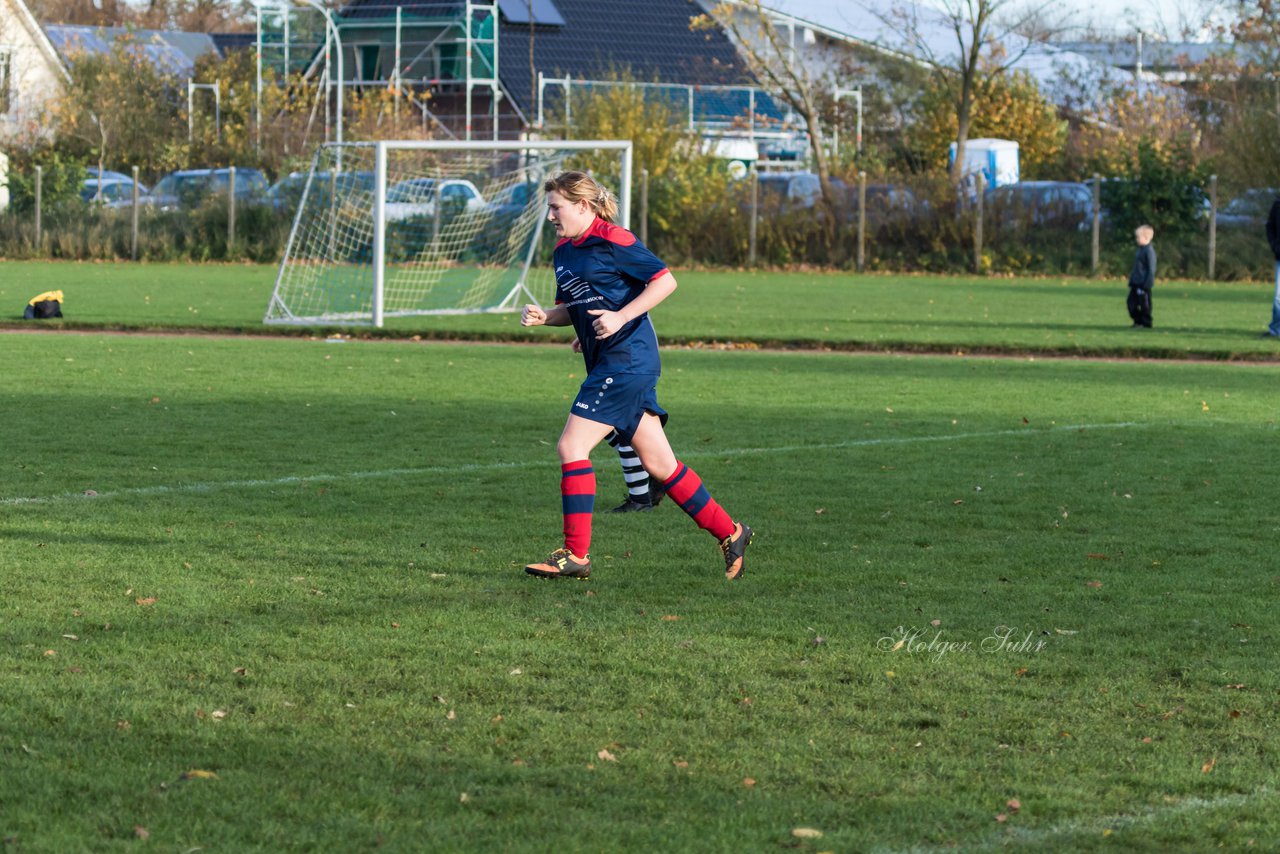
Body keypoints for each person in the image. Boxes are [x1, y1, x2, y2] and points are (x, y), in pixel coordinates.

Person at [520, 170, 753, 580]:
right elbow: (574, 309)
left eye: (556, 207)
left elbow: (665, 281)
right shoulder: (563, 253)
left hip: (627, 360)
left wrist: (621, 316)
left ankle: (575, 555)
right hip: (611, 360)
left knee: (571, 446)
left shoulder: (614, 238)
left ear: (582, 205)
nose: (551, 216)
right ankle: (731, 533)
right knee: (661, 464)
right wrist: (547, 318)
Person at [1126, 224, 1156, 329]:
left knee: (1145, 305)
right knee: (1131, 304)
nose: (1137, 239)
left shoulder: (1149, 251)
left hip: (1144, 284)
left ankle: (1146, 323)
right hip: (1136, 283)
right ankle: (1138, 321)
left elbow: (1151, 269)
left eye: (1138, 237)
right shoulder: (1140, 250)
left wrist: (1147, 284)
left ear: (1146, 238)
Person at [1264, 195, 1280, 337]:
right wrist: (1275, 246)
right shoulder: (1278, 204)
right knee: (1278, 296)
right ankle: (1275, 329)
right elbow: (1270, 226)